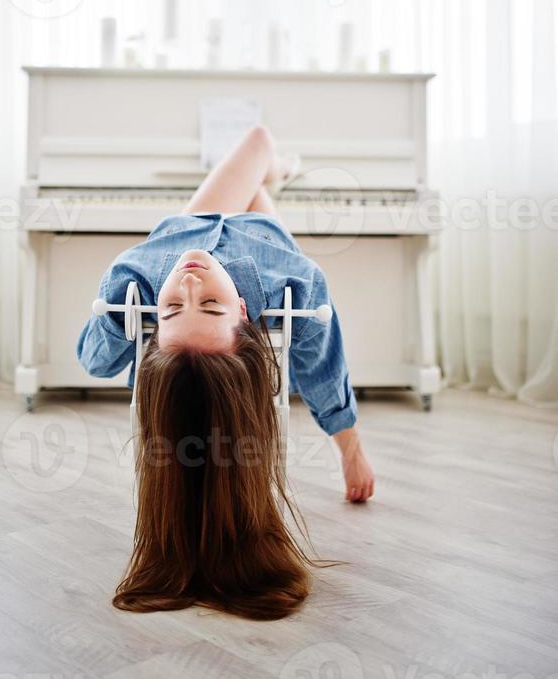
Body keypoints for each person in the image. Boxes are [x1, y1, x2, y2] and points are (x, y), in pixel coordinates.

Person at [77, 124, 374, 620]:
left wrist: (114, 312)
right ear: (241, 309)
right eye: (211, 306)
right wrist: (352, 450)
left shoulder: (139, 277)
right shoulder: (296, 282)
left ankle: (269, 174)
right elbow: (322, 368)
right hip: (265, 236)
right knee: (258, 147)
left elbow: (96, 359)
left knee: (257, 146)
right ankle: (272, 175)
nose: (189, 283)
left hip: (189, 223)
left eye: (172, 307)